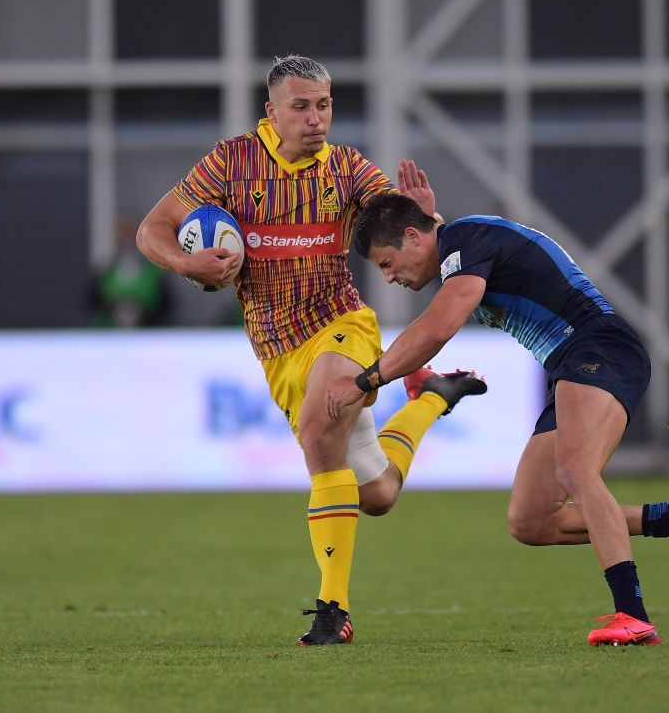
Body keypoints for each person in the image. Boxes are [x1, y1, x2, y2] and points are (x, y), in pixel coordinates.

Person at [135, 55, 487, 647]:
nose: (316, 118)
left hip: (341, 325)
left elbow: (409, 232)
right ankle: (430, 400)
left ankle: (333, 609)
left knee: (320, 424)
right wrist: (187, 261)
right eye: (301, 106)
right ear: (271, 112)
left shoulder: (348, 169)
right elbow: (153, 230)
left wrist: (427, 216)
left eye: (323, 105)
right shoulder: (232, 161)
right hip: (276, 348)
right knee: (376, 494)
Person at [328, 191, 669, 647]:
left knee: (576, 472)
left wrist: (365, 381)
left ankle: (632, 615)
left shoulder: (464, 239)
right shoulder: (458, 247)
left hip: (598, 349)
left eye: (386, 262)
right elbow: (442, 261)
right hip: (572, 365)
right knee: (530, 519)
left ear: (414, 237)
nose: (389, 277)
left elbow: (438, 327)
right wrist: (428, 217)